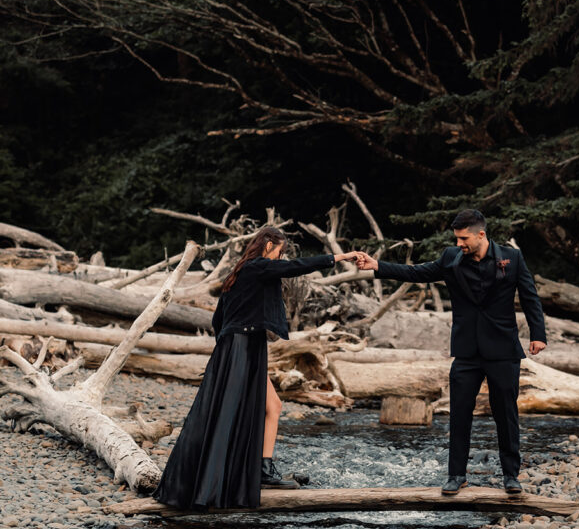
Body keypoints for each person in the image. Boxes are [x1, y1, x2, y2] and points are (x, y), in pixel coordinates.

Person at [154, 227, 358, 510]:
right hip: (241, 347)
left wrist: (227, 346)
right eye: (280, 250)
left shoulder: (238, 273)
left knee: (272, 406)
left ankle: (262, 469)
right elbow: (295, 267)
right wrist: (339, 256)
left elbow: (218, 319)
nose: (281, 256)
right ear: (269, 244)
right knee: (227, 413)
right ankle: (208, 487)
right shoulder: (256, 266)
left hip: (238, 346)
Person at [356, 209, 547, 495]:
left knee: (506, 415)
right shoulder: (450, 258)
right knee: (459, 414)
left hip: (503, 349)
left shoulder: (512, 258)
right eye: (456, 238)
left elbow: (530, 296)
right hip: (466, 350)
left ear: (481, 234)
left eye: (463, 238)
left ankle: (511, 476)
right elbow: (416, 272)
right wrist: (377, 266)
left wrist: (538, 335)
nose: (459, 243)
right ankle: (456, 475)